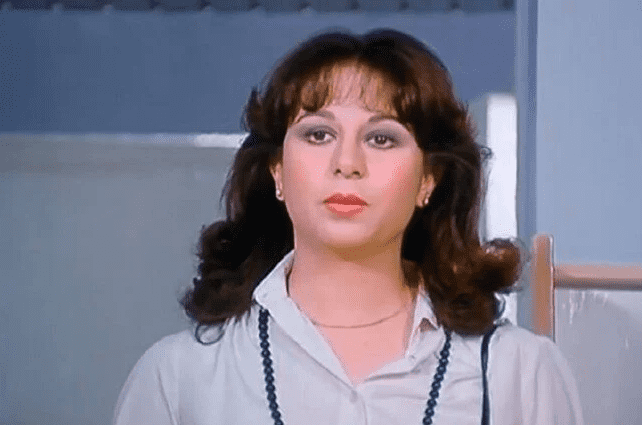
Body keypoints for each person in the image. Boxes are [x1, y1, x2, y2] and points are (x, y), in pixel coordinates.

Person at [113, 29, 584, 425]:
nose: (347, 162)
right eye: (318, 134)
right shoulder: (178, 377)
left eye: (381, 138)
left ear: (428, 179)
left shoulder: (521, 375)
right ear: (277, 171)